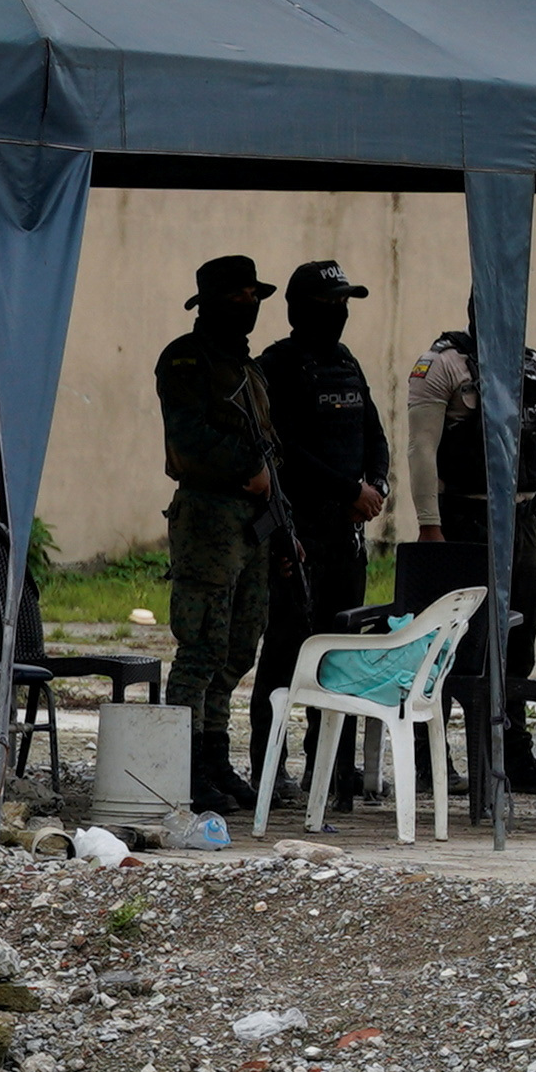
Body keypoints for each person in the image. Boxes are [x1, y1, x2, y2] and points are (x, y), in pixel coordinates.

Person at [410, 318, 536, 801]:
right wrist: (429, 525)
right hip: (464, 518)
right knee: (453, 642)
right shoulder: (444, 364)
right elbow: (422, 448)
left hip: (519, 521)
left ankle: (513, 755)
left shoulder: (531, 364)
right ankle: (429, 758)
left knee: (518, 639)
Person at [248, 260, 390, 799]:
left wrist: (374, 484)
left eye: (344, 305)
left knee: (342, 656)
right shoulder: (277, 366)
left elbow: (373, 433)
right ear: (300, 310)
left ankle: (329, 766)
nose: (340, 315)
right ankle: (268, 766)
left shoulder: (347, 363)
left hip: (346, 535)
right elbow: (283, 450)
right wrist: (346, 489)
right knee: (285, 652)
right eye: (330, 305)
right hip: (298, 535)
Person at [151, 257, 279, 813]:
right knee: (201, 646)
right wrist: (244, 468)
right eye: (238, 296)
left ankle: (213, 755)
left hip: (251, 525)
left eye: (255, 294)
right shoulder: (186, 359)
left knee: (236, 649)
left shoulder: (247, 369)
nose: (249, 304)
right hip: (208, 518)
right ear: (209, 302)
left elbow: (271, 447)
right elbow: (188, 434)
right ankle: (184, 765)